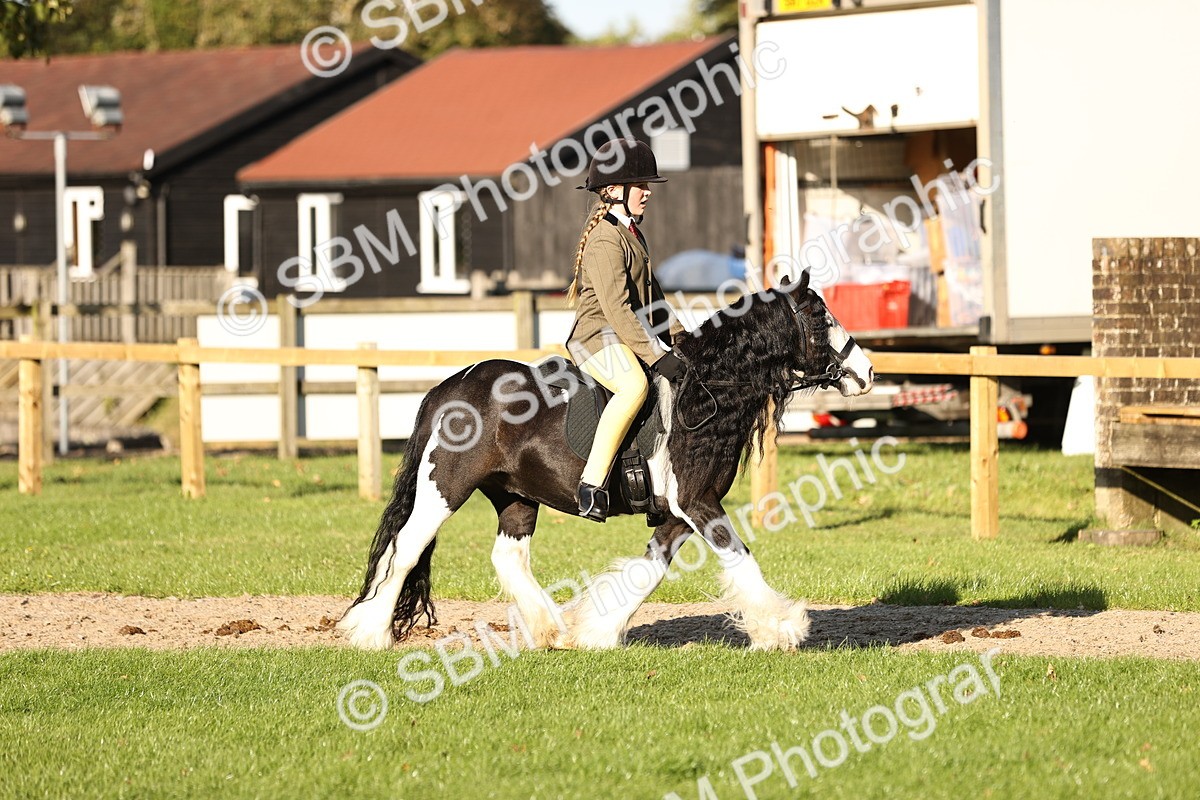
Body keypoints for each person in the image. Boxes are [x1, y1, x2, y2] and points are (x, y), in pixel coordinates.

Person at [565, 138, 687, 522]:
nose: (648, 193)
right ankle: (592, 484)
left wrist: (681, 337)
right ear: (614, 191)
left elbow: (653, 299)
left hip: (623, 334)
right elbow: (617, 309)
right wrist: (655, 355)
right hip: (596, 339)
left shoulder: (632, 233)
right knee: (635, 386)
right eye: (642, 185)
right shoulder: (604, 237)